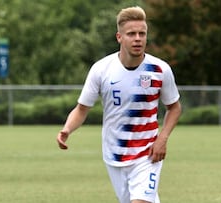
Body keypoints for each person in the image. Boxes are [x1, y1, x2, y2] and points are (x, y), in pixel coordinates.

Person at [56, 6, 181, 203]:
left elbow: (174, 107)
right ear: (119, 37)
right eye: (131, 34)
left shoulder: (160, 69)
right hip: (114, 153)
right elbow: (82, 109)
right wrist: (67, 129)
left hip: (148, 154)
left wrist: (162, 138)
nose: (138, 38)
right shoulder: (101, 70)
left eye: (142, 33)